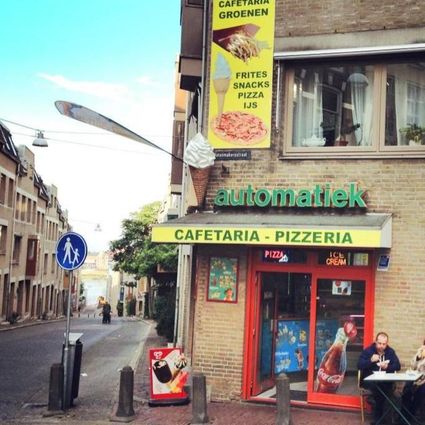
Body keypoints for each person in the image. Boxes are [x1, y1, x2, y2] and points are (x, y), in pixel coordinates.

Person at [358, 332, 401, 425]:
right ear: (376, 342)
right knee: (381, 390)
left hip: (385, 382)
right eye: (379, 343)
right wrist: (370, 360)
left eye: (384, 344)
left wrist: (387, 367)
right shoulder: (368, 351)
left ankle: (379, 420)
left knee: (385, 390)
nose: (381, 346)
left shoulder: (390, 352)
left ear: (387, 343)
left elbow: (398, 366)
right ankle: (381, 420)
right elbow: (359, 365)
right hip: (369, 381)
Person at [400, 339, 425, 420]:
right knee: (407, 390)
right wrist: (418, 357)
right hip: (416, 379)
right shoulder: (420, 351)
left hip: (423, 381)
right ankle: (403, 417)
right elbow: (413, 366)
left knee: (421, 392)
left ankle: (411, 415)